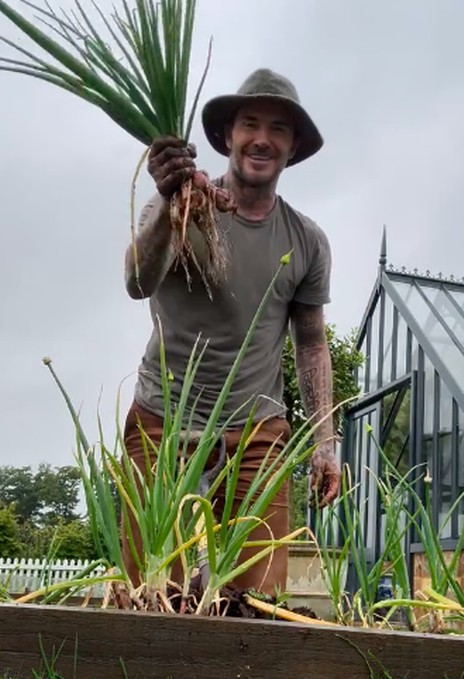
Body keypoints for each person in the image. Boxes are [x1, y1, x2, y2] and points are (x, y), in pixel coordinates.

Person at [122, 68, 341, 596]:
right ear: (227, 136)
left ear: (292, 149)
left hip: (256, 429)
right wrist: (169, 202)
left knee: (257, 599)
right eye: (250, 124)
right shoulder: (179, 204)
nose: (262, 138)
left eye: (278, 129)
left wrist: (325, 441)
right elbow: (136, 280)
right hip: (164, 417)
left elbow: (310, 342)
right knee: (151, 591)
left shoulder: (307, 240)